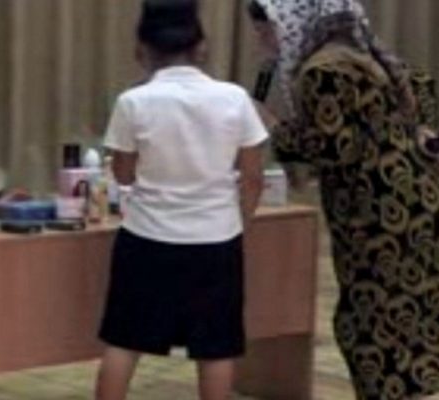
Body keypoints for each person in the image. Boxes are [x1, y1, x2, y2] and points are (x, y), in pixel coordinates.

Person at [248, 1, 439, 398]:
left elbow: (333, 147)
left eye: (265, 28)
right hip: (422, 200)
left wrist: (271, 125)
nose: (262, 40)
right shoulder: (365, 56)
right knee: (410, 319)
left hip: (379, 212)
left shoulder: (324, 70)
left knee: (371, 324)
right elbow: (421, 90)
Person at [94, 1, 268, 399]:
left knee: (124, 340)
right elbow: (253, 178)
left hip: (146, 238)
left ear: (141, 49)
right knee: (216, 347)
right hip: (216, 240)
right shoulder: (235, 98)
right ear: (201, 47)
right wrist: (239, 222)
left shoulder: (133, 102)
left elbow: (123, 174)